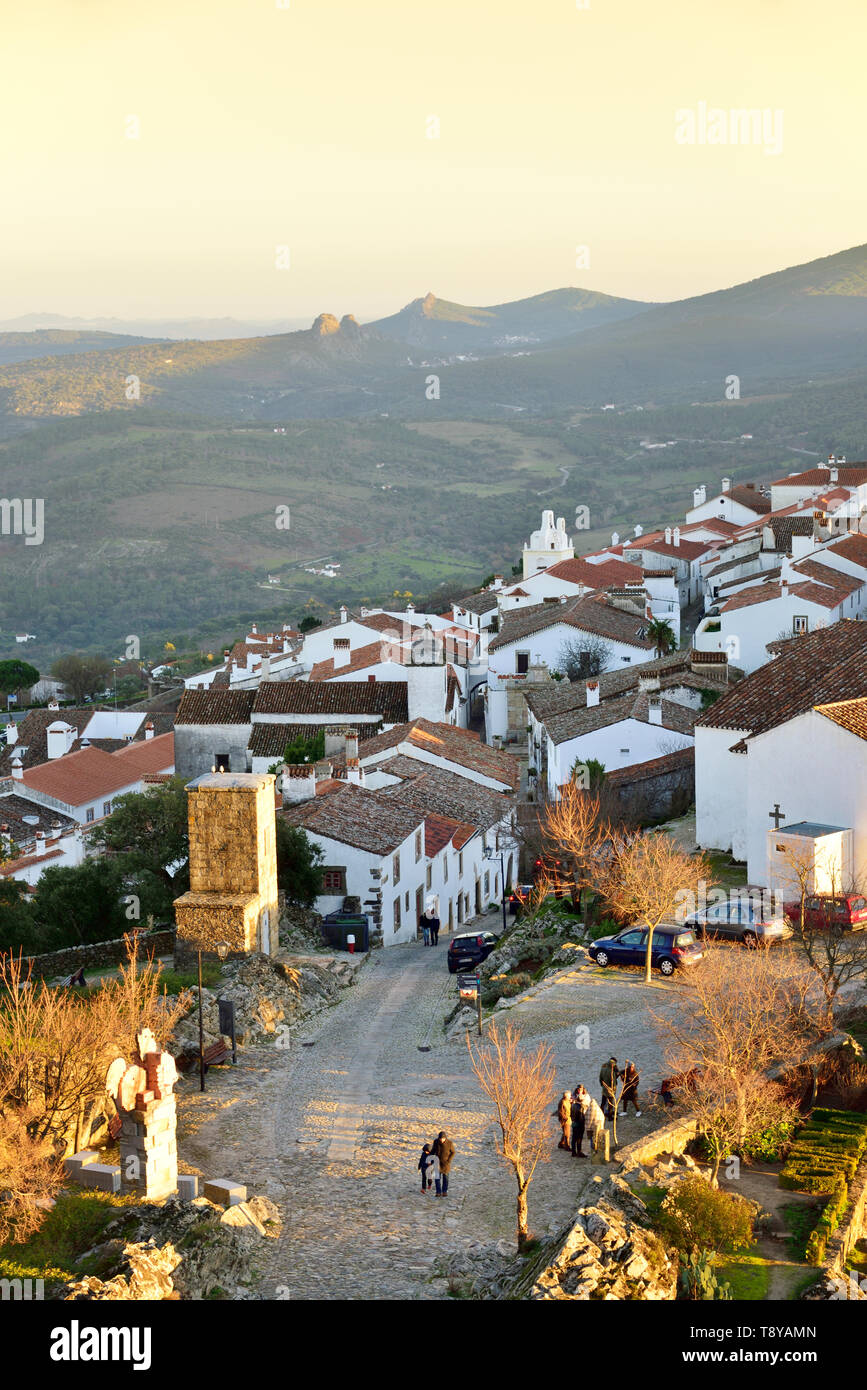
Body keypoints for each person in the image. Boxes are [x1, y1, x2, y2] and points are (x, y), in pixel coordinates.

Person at [432, 1130, 455, 1196]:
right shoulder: (436, 1142)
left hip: (446, 1164)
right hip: (437, 1163)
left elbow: (453, 1152)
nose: (441, 1140)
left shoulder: (449, 1143)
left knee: (446, 1179)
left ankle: (444, 1191)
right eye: (440, 1138)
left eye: (443, 1138)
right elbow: (433, 1151)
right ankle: (438, 1192)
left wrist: (449, 1161)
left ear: (445, 1138)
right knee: (437, 1179)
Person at [571, 1085, 587, 1157]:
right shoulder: (581, 1107)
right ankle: (579, 1152)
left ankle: (573, 1152)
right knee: (579, 1139)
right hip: (579, 1124)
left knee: (574, 1138)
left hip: (574, 1123)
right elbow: (581, 1117)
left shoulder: (573, 1106)